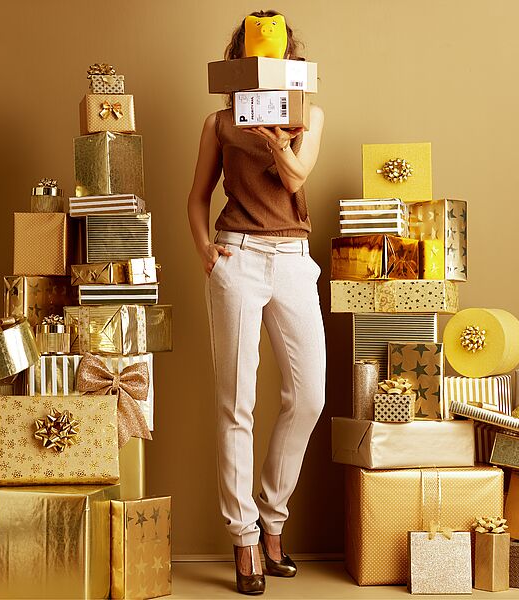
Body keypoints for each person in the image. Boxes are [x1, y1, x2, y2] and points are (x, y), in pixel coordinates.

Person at [186, 9, 326, 596]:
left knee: (309, 395)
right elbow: (195, 199)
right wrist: (207, 256)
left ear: (293, 67)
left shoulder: (307, 116)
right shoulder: (219, 124)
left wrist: (278, 140)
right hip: (236, 257)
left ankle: (272, 516)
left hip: (293, 261)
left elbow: (295, 181)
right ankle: (245, 539)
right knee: (236, 403)